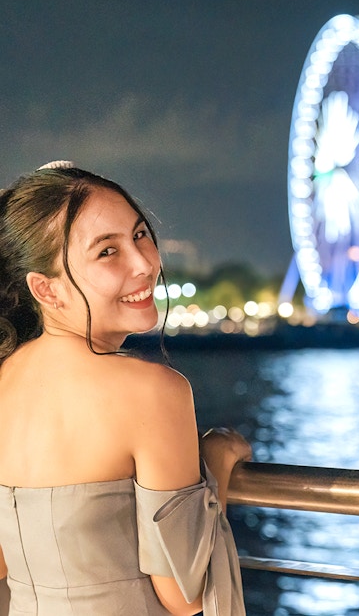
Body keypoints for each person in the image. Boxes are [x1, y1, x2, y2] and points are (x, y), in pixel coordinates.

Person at [0, 162, 251, 615]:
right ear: (47, 289)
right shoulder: (152, 391)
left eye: (138, 235)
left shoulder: (5, 379)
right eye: (107, 252)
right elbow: (183, 594)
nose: (145, 263)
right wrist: (216, 459)